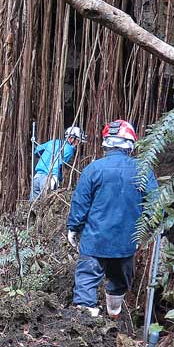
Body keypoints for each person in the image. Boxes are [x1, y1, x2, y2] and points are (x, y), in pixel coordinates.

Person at [66, 119, 158, 318]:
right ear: (131, 143)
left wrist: (73, 227)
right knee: (119, 282)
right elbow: (155, 204)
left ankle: (84, 323)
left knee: (87, 282)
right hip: (126, 243)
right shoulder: (143, 170)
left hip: (94, 241)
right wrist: (154, 227)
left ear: (106, 142)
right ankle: (113, 314)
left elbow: (80, 203)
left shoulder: (94, 169)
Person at [30, 126, 84, 201]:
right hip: (48, 179)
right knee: (45, 207)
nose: (78, 144)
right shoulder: (69, 150)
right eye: (78, 141)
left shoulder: (53, 142)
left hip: (36, 178)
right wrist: (54, 179)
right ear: (72, 138)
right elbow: (57, 164)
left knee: (32, 206)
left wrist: (46, 156)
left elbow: (37, 151)